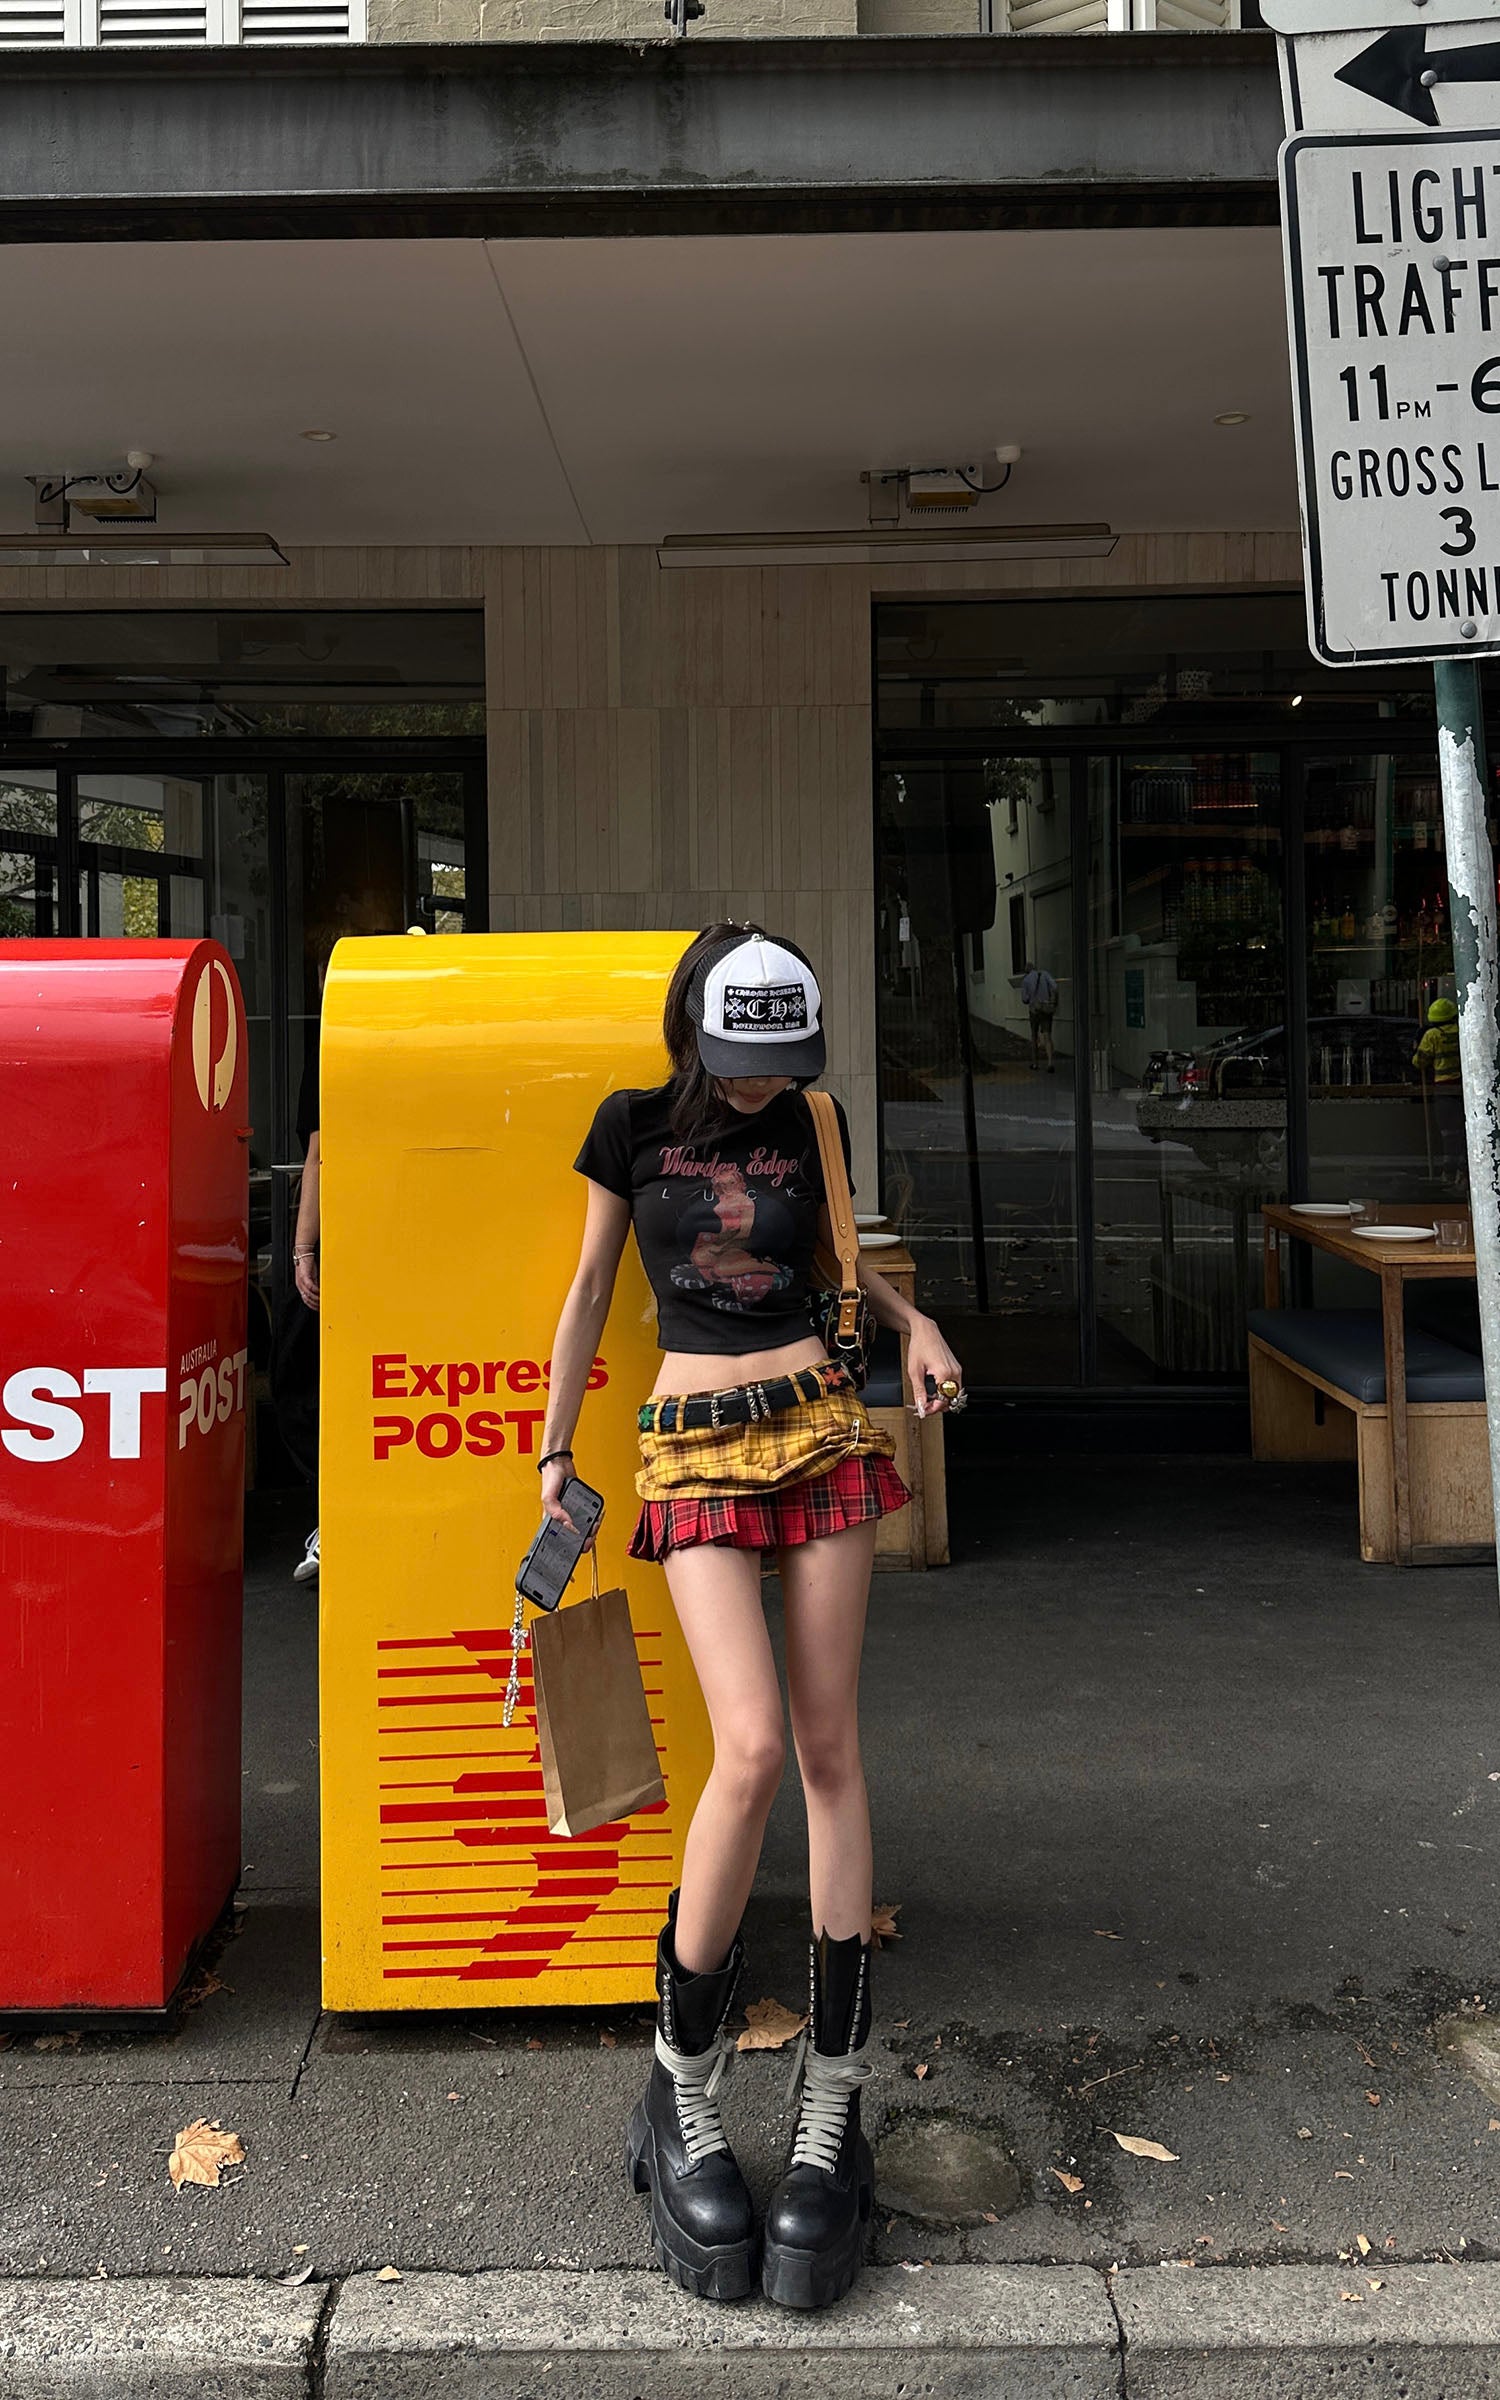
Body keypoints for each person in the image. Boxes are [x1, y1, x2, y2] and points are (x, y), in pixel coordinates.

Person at [539, 923, 964, 2313]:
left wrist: (912, 1324)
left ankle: (835, 2102)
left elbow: (839, 1263)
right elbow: (595, 1288)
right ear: (691, 1037)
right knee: (755, 1750)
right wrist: (556, 1460)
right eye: (738, 1065)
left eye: (778, 1066)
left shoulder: (818, 1120)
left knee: (833, 1752)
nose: (758, 1090)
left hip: (825, 1429)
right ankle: (683, 2090)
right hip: (690, 1442)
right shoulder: (631, 1125)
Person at [1413, 995, 1466, 1190]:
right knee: (1462, 1132)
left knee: (1448, 1133)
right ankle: (1462, 1172)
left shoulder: (1432, 1035)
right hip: (1464, 1089)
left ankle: (1449, 1173)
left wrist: (1418, 1043)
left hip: (1444, 1088)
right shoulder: (1463, 1030)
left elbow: (1419, 1062)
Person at [1020, 959, 1058, 1070]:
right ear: (1035, 968)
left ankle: (1035, 1063)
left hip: (1034, 1011)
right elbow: (1055, 987)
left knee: (1034, 1036)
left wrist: (1031, 998)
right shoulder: (1045, 974)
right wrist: (1052, 1000)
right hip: (1046, 1009)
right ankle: (1050, 1063)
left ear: (1026, 970)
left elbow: (1024, 999)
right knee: (1047, 1036)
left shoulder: (1026, 980)